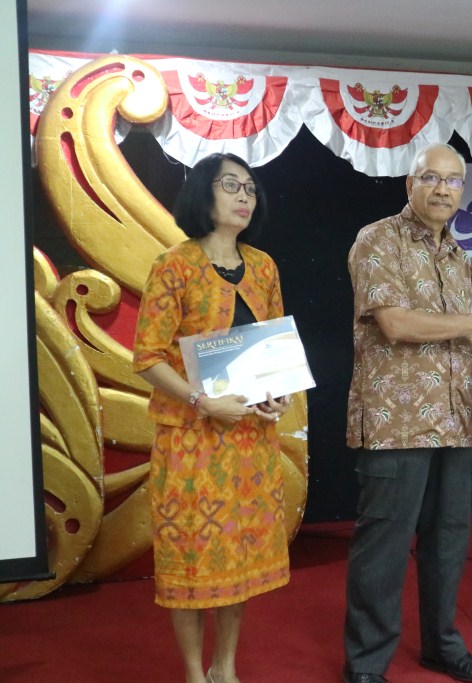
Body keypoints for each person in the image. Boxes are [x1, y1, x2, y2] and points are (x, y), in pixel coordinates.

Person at [344, 143, 472, 683]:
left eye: (452, 180)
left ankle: (441, 646)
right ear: (410, 185)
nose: (442, 189)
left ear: (462, 190)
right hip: (396, 423)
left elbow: (453, 337)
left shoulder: (460, 257)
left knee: (448, 543)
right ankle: (366, 664)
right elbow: (397, 325)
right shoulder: (378, 239)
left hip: (455, 420)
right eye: (430, 177)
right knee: (384, 546)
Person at [132, 153, 293, 683]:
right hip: (191, 443)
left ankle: (225, 668)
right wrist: (201, 401)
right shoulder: (174, 264)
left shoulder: (264, 266)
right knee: (193, 560)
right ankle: (193, 675)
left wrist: (277, 395)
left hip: (250, 442)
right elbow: (147, 357)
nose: (244, 196)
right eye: (231, 186)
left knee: (237, 561)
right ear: (204, 193)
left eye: (250, 188)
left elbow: (273, 351)